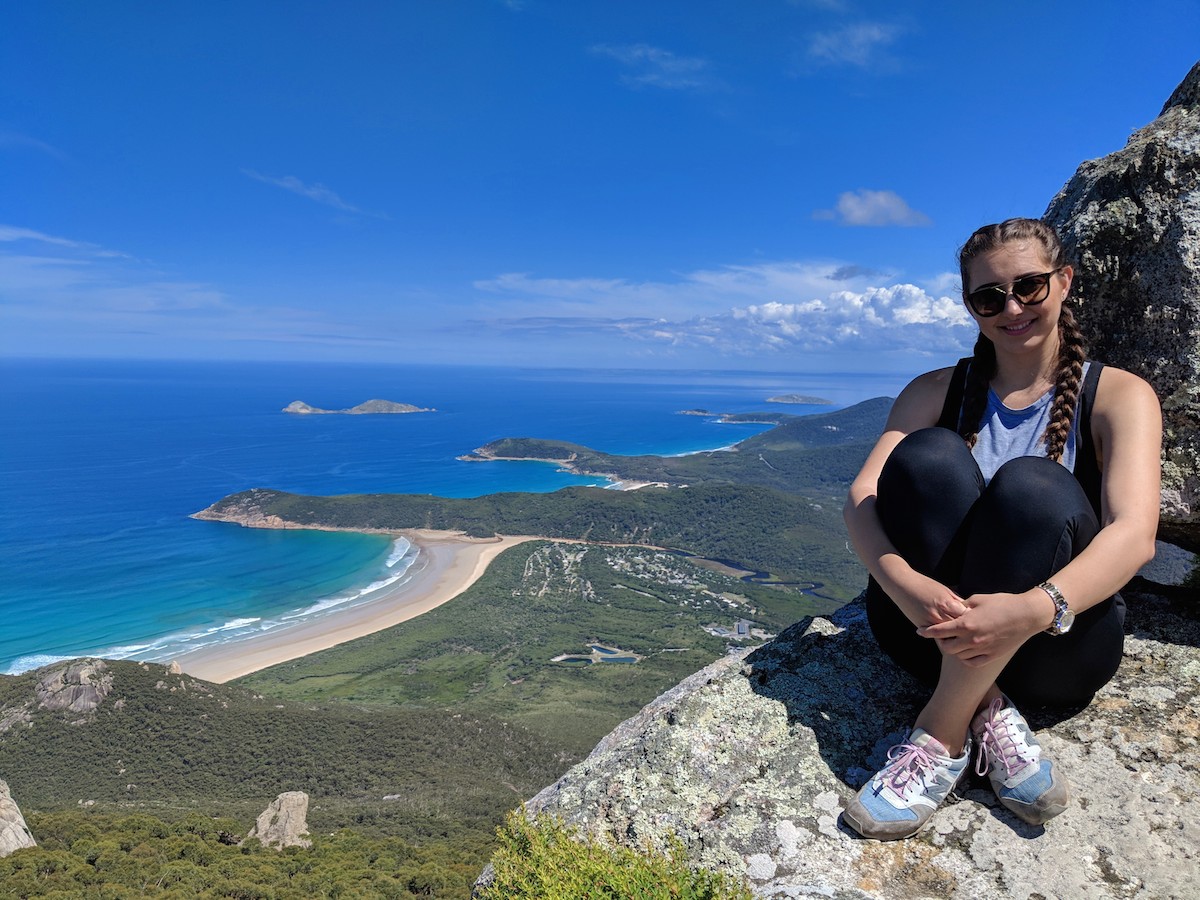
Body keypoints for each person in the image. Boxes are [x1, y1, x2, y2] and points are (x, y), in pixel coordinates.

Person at [840, 217, 1162, 841]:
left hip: (1055, 644)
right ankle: (987, 705)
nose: (1011, 308)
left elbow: (1134, 533)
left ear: (1063, 282)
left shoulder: (1117, 396)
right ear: (970, 305)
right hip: (925, 624)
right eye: (989, 297)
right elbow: (862, 497)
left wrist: (1031, 611)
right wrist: (903, 583)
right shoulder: (935, 391)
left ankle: (940, 731)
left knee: (1033, 487)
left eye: (1030, 287)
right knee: (928, 456)